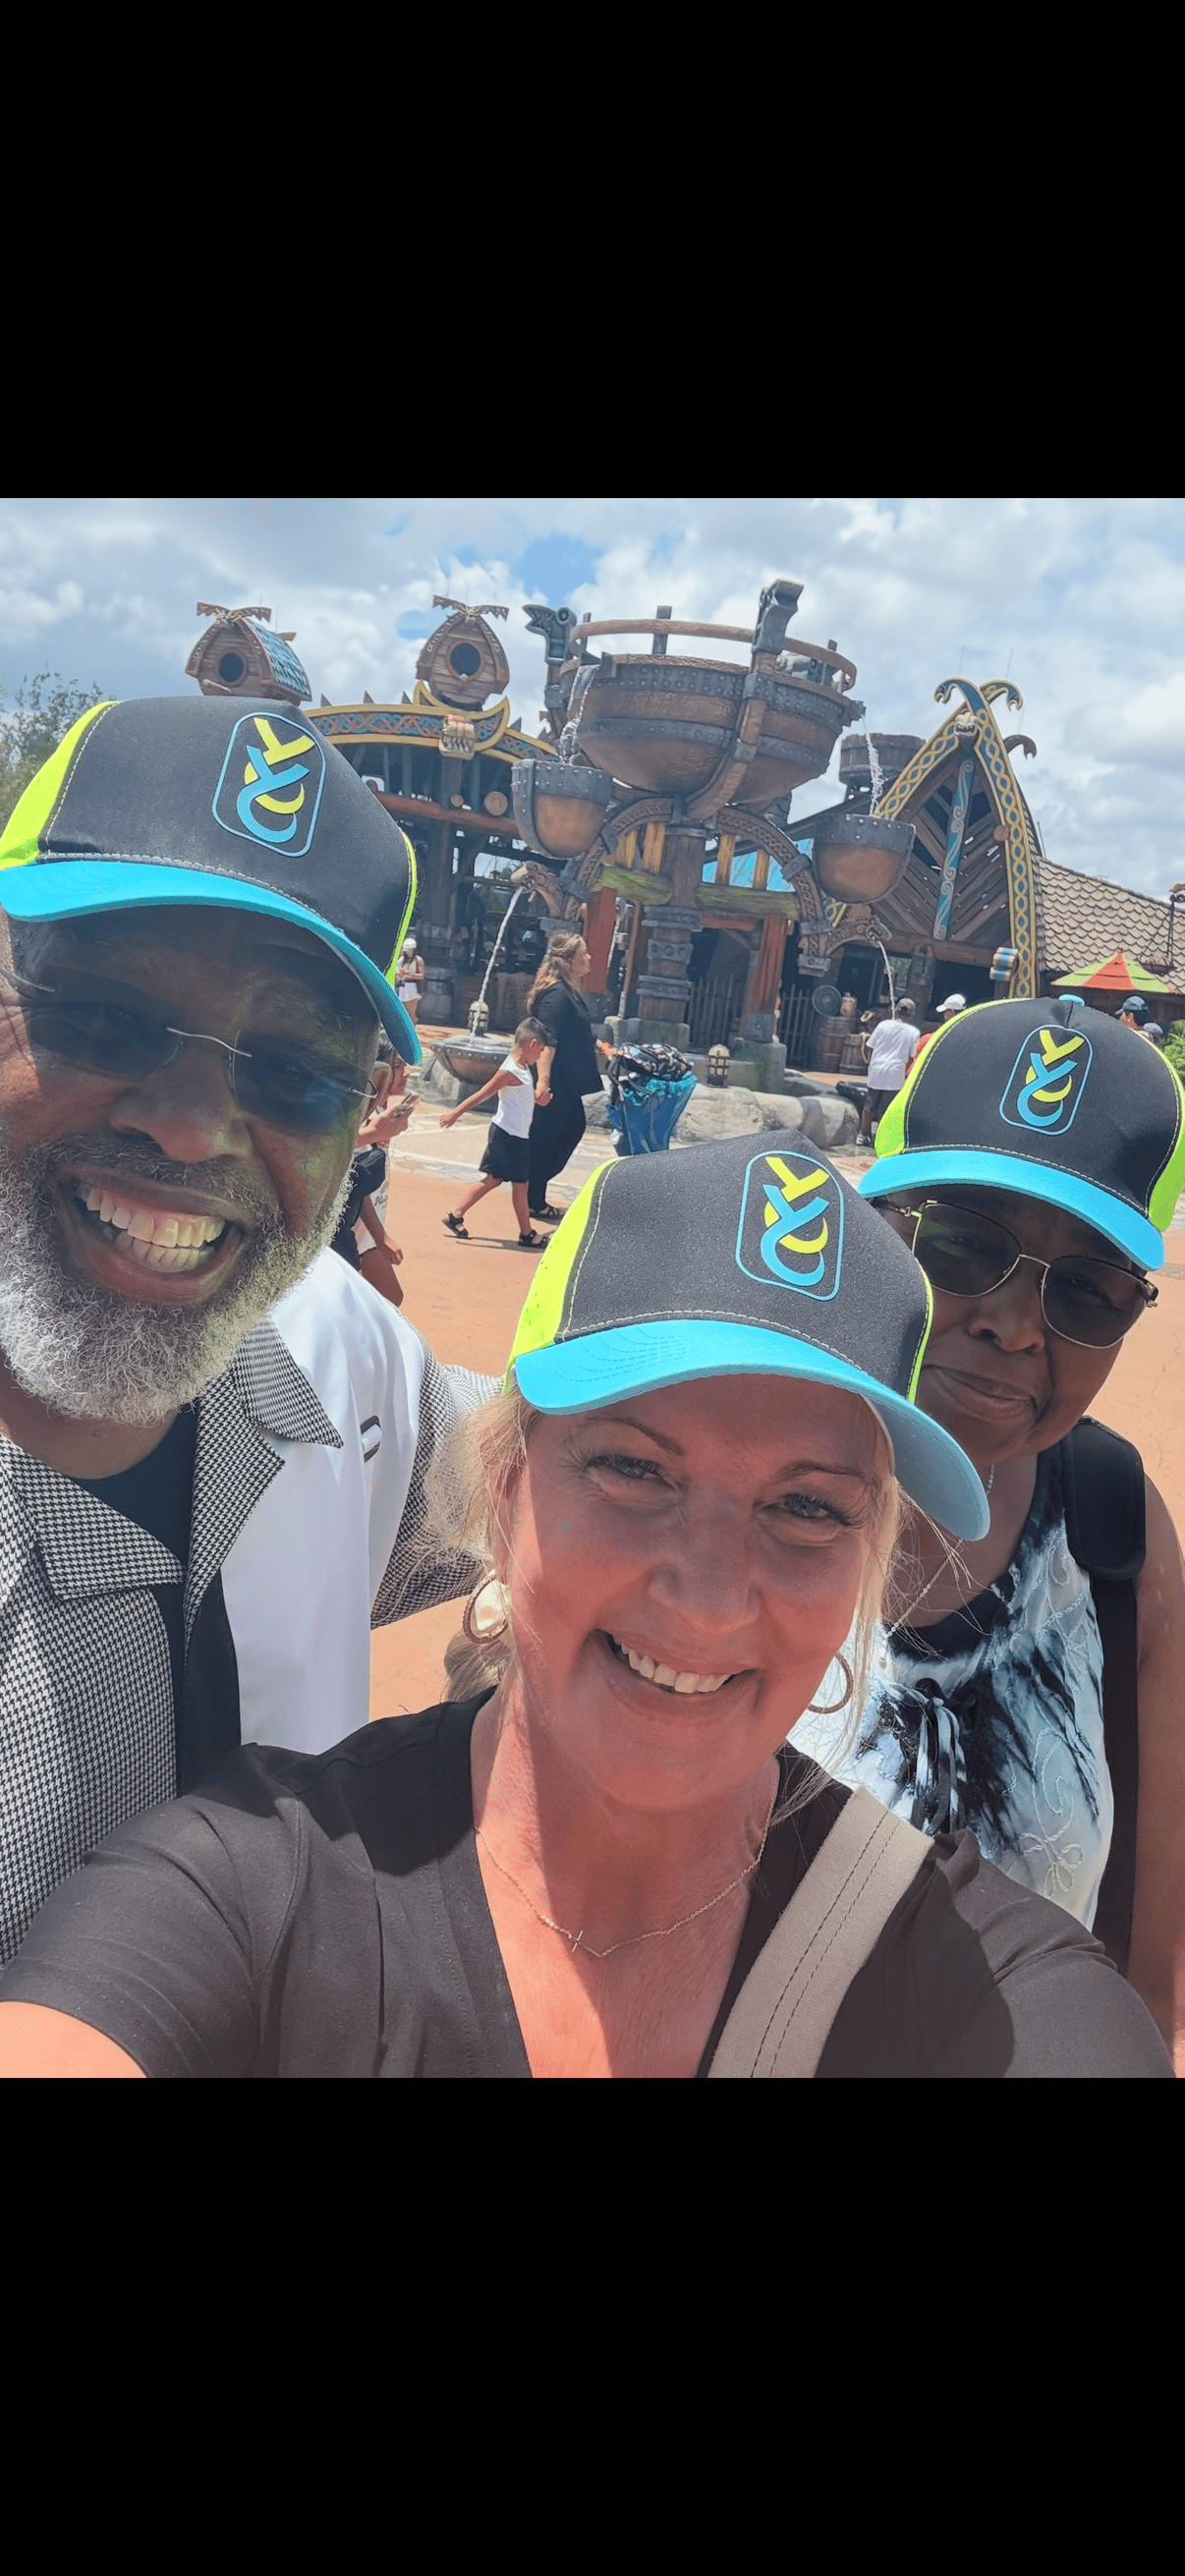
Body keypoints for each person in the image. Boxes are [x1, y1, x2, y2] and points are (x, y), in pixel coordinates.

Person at [0, 1132, 1168, 2078]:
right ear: (505, 1491)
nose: (708, 1594)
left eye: (807, 1507)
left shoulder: (990, 1989)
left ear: (871, 1561)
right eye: (635, 1470)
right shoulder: (250, 1893)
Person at [0, 695, 491, 1967]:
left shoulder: (333, 1351)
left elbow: (567, 1462)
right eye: (104, 1017)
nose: (190, 1125)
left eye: (294, 1070)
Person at [794, 995, 1185, 2064]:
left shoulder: (1113, 1532)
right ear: (874, 1225)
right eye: (965, 1244)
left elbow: (1145, 1974)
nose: (1013, 1324)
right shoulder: (722, 1473)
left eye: (1090, 1292)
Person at [525, 929, 615, 1222]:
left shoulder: (567, 993)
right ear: (569, 960)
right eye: (583, 953)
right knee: (549, 1136)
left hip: (566, 1081)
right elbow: (546, 1040)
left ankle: (530, 1190)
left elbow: (574, 1030)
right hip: (556, 1081)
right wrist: (543, 1082)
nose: (589, 957)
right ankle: (532, 1197)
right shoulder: (556, 996)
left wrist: (598, 1045)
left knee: (567, 1130)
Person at [440, 1019, 550, 1250]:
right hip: (507, 1136)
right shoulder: (510, 1070)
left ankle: (456, 1215)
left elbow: (519, 1097)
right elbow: (483, 1094)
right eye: (540, 1050)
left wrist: (536, 1098)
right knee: (515, 1183)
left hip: (514, 1135)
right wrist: (454, 1114)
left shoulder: (521, 1067)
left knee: (500, 1181)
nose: (540, 1056)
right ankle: (526, 1233)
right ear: (532, 1044)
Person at [857, 997, 919, 1146]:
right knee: (886, 1109)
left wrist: (871, 1062)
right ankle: (881, 1138)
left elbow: (870, 1046)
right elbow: (912, 1055)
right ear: (911, 1015)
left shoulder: (883, 1025)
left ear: (896, 1010)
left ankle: (862, 1135)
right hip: (895, 1073)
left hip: (877, 1069)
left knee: (869, 1105)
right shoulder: (914, 1032)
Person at [913, 992, 966, 1059]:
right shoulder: (965, 1035)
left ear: (951, 1012)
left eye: (945, 1011)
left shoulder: (929, 1039)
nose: (943, 1014)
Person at [394, 937, 424, 1024]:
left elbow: (421, 975)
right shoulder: (401, 960)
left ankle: (413, 1028)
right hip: (402, 986)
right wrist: (400, 973)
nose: (407, 952)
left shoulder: (418, 960)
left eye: (409, 950)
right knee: (401, 1011)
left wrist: (409, 974)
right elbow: (397, 971)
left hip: (412, 987)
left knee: (411, 1012)